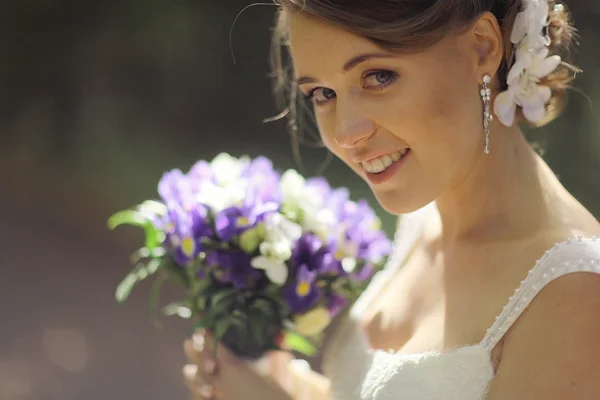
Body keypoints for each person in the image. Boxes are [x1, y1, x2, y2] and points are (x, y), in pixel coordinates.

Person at [183, 0, 600, 398]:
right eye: (323, 94)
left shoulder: (577, 296)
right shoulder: (422, 221)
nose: (346, 134)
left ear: (482, 48)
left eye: (378, 77)